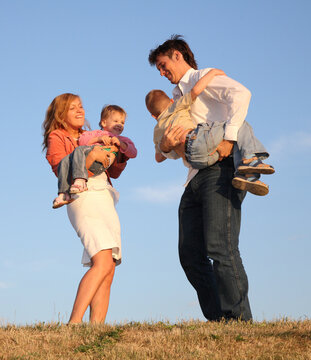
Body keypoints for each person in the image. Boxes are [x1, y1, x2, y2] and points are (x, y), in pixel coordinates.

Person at [148, 35, 260, 321]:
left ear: (176, 54)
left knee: (220, 247)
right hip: (193, 177)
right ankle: (219, 320)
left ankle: (240, 322)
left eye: (162, 65)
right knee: (190, 255)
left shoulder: (202, 78)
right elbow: (170, 150)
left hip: (220, 168)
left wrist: (229, 140)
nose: (162, 73)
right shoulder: (176, 99)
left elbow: (243, 94)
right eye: (158, 70)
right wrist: (164, 145)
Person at [43, 93, 130, 324]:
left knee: (109, 265)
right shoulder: (57, 136)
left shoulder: (92, 135)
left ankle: (96, 329)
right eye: (73, 108)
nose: (80, 111)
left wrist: (116, 153)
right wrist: (92, 156)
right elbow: (60, 168)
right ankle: (74, 322)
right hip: (82, 197)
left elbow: (115, 171)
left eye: (81, 106)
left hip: (105, 196)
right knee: (101, 261)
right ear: (61, 114)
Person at [145, 80, 274, 196]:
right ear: (172, 101)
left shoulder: (157, 131)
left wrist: (166, 146)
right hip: (197, 141)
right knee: (237, 125)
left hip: (195, 161)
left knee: (232, 145)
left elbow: (158, 157)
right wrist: (213, 73)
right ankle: (250, 159)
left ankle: (247, 175)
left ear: (153, 116)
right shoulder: (175, 106)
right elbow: (196, 91)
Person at [52, 105, 137, 208]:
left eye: (122, 122)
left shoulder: (122, 139)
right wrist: (98, 139)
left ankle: (80, 180)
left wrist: (121, 144)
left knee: (78, 151)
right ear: (104, 122)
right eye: (116, 121)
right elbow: (82, 141)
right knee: (65, 160)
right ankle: (63, 194)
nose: (119, 124)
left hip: (101, 162)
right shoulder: (95, 133)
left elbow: (133, 153)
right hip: (88, 156)